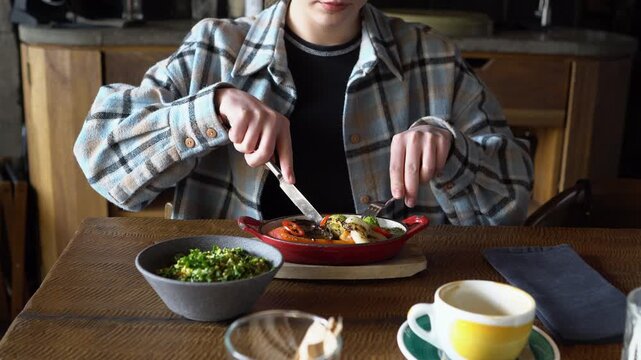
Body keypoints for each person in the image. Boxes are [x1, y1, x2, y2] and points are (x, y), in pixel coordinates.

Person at [74, 0, 533, 226]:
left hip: (400, 309)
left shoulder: (433, 59)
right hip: (236, 305)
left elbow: (513, 203)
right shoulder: (213, 48)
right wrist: (209, 109)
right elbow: (100, 158)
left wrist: (450, 148)